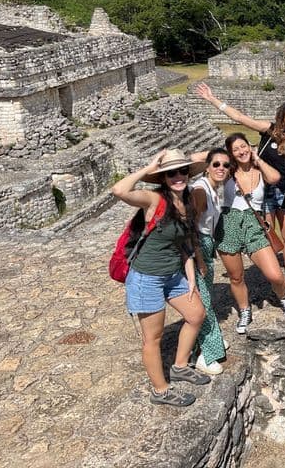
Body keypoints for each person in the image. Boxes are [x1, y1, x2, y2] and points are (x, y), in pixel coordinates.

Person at [112, 148, 210, 407]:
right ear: (163, 178)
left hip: (173, 274)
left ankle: (179, 365)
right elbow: (119, 191)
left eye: (182, 171)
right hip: (147, 278)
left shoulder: (187, 201)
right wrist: (148, 167)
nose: (178, 176)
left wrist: (190, 277)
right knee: (152, 339)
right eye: (170, 173)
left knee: (196, 314)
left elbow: (184, 243)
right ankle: (160, 389)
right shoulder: (155, 200)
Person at [194, 83, 285, 290]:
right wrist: (212, 99)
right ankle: (271, 269)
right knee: (266, 232)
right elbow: (239, 117)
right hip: (264, 191)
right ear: (282, 119)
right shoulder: (270, 130)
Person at [218, 133, 285, 333]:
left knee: (276, 276)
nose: (241, 151)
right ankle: (245, 310)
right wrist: (224, 157)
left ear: (250, 146)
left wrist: (257, 158)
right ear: (230, 153)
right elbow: (202, 159)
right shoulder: (227, 171)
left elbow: (275, 177)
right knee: (236, 277)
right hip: (229, 223)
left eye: (243, 146)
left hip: (254, 224)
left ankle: (283, 297)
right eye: (235, 149)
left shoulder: (260, 170)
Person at [189, 148, 230, 375]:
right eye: (216, 164)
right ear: (207, 167)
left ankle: (209, 342)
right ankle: (206, 353)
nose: (221, 168)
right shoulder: (200, 191)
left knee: (206, 297)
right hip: (198, 247)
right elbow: (190, 228)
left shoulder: (213, 188)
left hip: (206, 244)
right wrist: (199, 259)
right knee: (202, 301)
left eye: (225, 165)